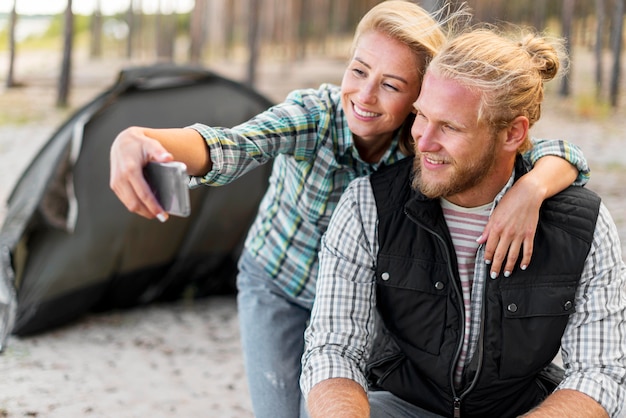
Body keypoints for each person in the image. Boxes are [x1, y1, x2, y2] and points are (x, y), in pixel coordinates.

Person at [110, 2, 591, 417]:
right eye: (358, 71)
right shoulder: (315, 117)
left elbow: (560, 154)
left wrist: (529, 190)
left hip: (367, 298)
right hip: (283, 286)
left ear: (421, 97)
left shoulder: (427, 144)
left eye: (391, 84)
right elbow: (233, 145)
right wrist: (145, 139)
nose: (364, 95)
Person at [300, 27, 626, 418]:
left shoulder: (583, 225)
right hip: (406, 404)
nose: (421, 141)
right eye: (421, 115)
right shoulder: (366, 205)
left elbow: (601, 372)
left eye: (450, 127)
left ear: (512, 133)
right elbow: (333, 349)